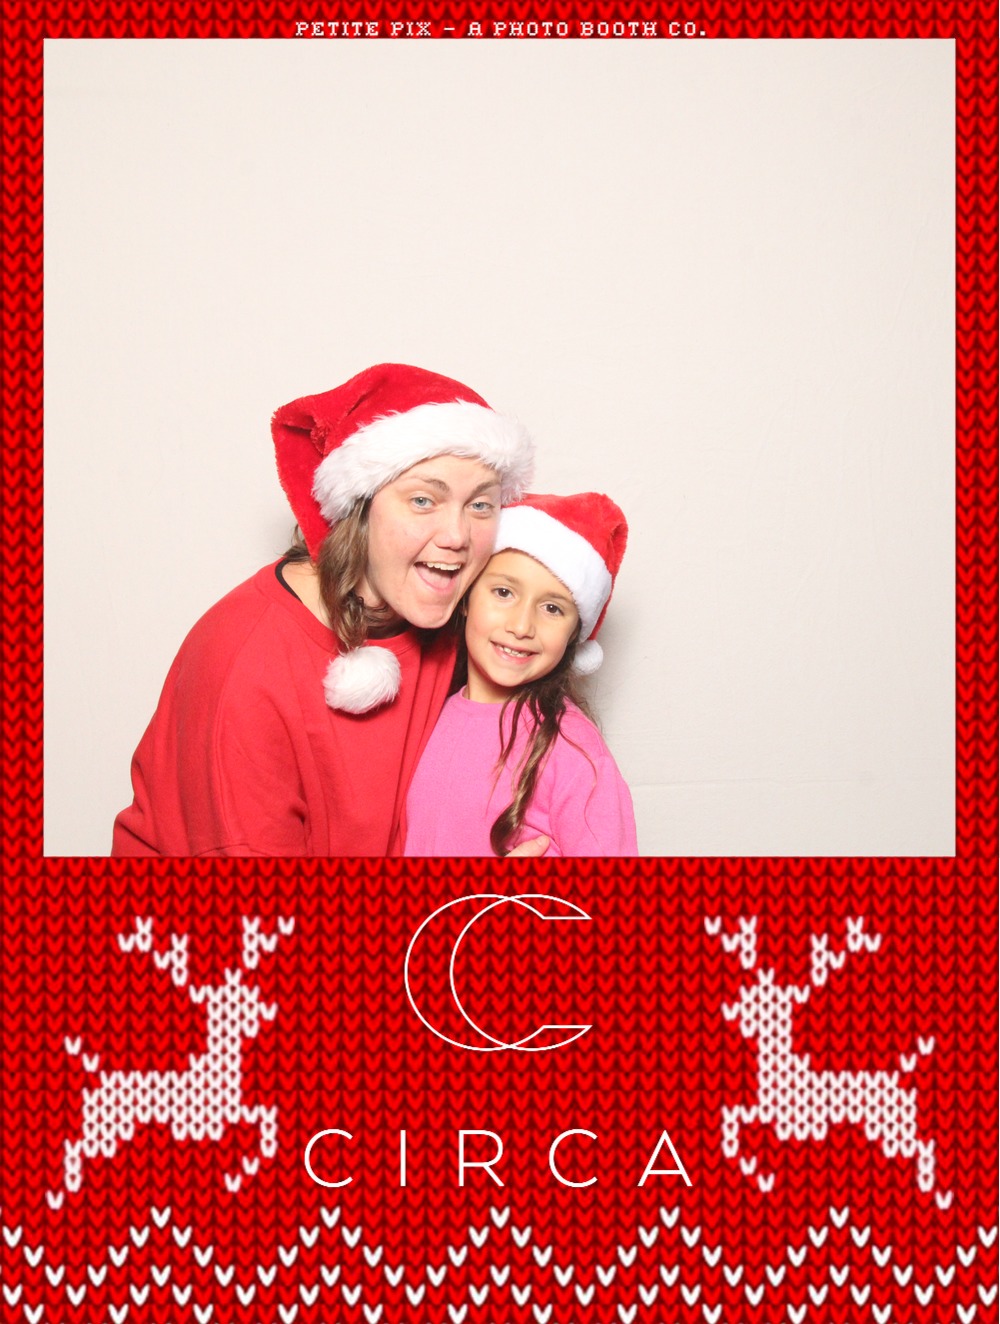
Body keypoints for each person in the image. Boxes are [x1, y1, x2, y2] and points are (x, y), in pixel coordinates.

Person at [111, 363, 540, 857]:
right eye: (424, 500)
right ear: (358, 509)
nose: (457, 536)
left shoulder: (460, 620)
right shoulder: (246, 662)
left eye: (481, 505)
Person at [403, 492, 638, 856]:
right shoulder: (425, 711)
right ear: (466, 597)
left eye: (552, 608)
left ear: (573, 634)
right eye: (503, 592)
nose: (521, 626)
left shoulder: (575, 752)